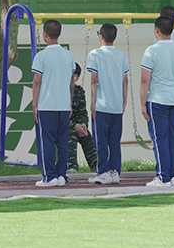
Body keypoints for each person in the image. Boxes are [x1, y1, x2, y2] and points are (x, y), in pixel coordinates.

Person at [141, 16, 174, 187]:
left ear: (156, 30)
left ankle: (163, 177)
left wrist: (142, 104)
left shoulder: (151, 51)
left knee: (160, 138)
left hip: (157, 100)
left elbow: (144, 80)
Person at [31, 19, 76, 187]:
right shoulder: (68, 55)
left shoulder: (41, 56)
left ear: (45, 34)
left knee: (47, 141)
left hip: (46, 105)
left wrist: (34, 104)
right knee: (63, 142)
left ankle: (49, 176)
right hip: (64, 105)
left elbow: (37, 82)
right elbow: (71, 82)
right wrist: (70, 102)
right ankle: (61, 175)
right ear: (59, 34)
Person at [87, 23, 129, 185]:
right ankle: (115, 172)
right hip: (117, 105)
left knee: (101, 141)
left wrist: (92, 102)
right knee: (115, 141)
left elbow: (94, 80)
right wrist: (124, 101)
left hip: (101, 105)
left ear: (101, 37)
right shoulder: (122, 55)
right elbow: (125, 81)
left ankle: (103, 171)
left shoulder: (95, 54)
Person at [68, 64, 98, 174]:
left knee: (86, 135)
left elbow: (82, 113)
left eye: (74, 76)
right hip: (64, 125)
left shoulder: (79, 91)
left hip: (77, 125)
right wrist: (74, 125)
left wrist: (83, 125)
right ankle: (72, 166)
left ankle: (96, 166)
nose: (71, 78)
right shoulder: (60, 91)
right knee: (71, 135)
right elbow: (60, 116)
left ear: (78, 78)